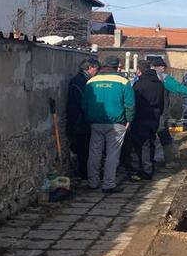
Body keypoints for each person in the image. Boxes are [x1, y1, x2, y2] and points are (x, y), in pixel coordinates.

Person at [84, 55, 135, 193]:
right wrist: (129, 119)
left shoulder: (91, 81)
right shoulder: (123, 81)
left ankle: (93, 182)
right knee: (112, 153)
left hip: (95, 122)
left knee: (94, 152)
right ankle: (108, 184)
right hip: (116, 122)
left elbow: (85, 103)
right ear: (117, 66)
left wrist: (89, 117)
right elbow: (129, 103)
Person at [150, 58, 187, 167]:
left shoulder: (139, 77)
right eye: (163, 66)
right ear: (160, 67)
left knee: (147, 138)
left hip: (143, 113)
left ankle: (147, 162)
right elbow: (178, 88)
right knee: (164, 136)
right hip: (159, 112)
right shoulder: (164, 78)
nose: (164, 68)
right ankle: (169, 162)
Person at [130, 60, 165, 180]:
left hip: (141, 117)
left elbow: (133, 102)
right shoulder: (159, 83)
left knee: (141, 144)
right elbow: (162, 102)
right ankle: (150, 167)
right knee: (151, 141)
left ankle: (144, 170)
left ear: (140, 70)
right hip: (154, 116)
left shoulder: (139, 84)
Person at [66, 58, 100, 179]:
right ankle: (84, 173)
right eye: (96, 69)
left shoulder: (81, 80)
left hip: (79, 119)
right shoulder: (80, 81)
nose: (97, 72)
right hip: (79, 120)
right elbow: (83, 103)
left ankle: (85, 173)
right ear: (90, 68)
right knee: (83, 148)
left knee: (84, 148)